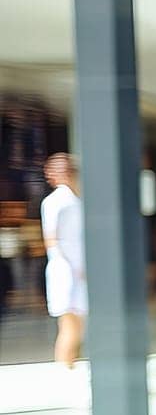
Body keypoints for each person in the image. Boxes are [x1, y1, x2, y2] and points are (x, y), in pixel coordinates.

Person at [40, 152, 86, 368]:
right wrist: (71, 266)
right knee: (70, 323)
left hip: (75, 268)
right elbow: (52, 239)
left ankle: (69, 365)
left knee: (75, 323)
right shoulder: (56, 202)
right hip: (66, 269)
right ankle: (65, 368)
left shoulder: (73, 200)